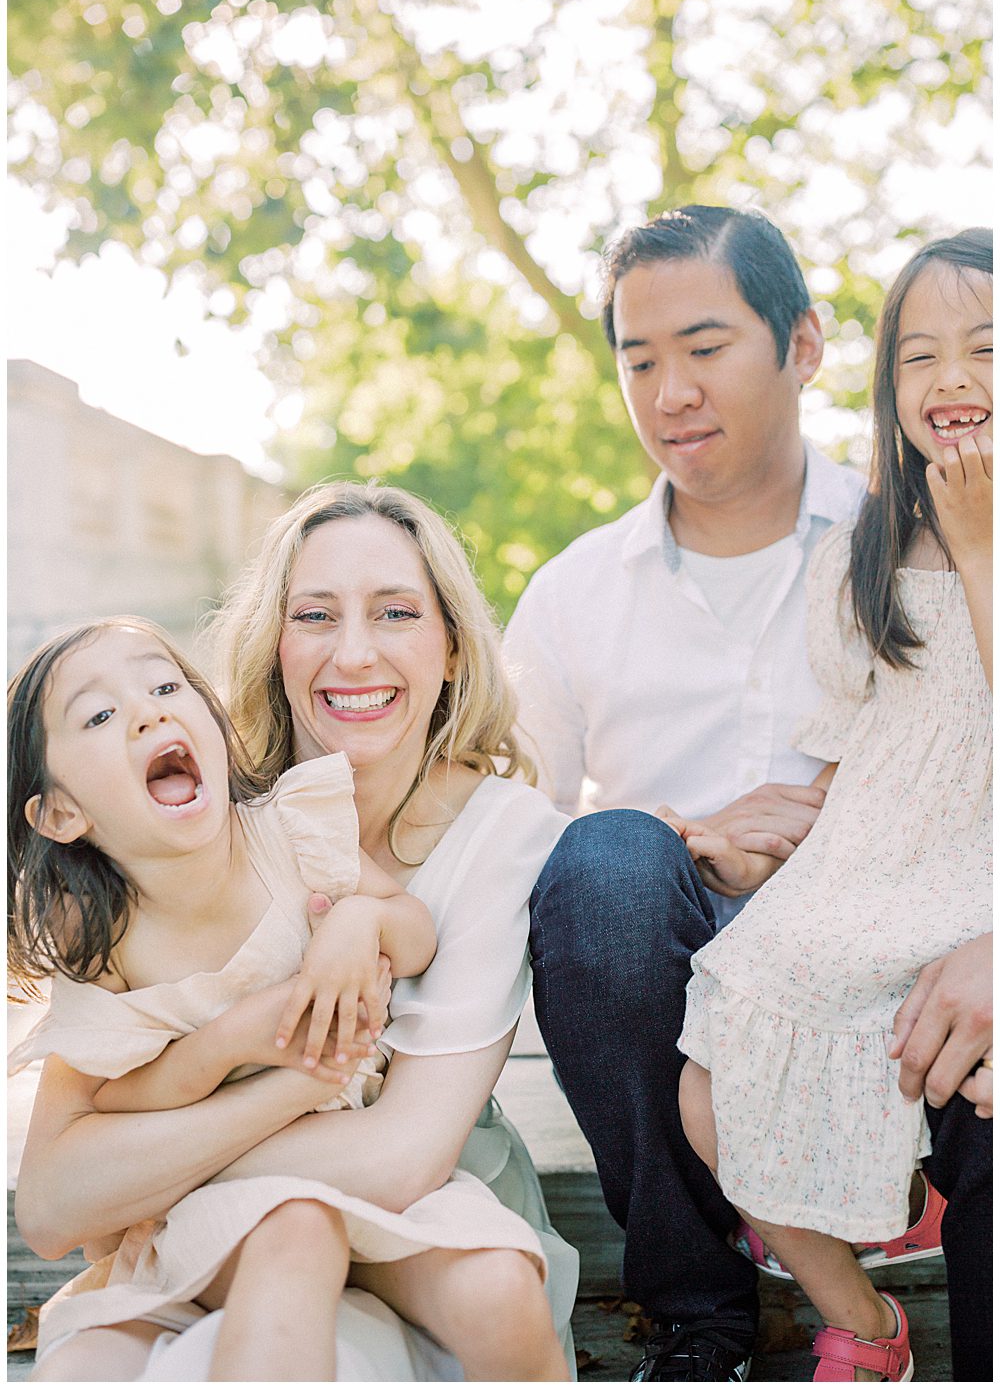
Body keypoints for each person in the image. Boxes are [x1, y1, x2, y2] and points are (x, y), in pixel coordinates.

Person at [12, 483, 579, 1382]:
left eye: (395, 612)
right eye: (315, 614)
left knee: (488, 1299)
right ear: (273, 645)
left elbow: (401, 1153)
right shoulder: (161, 864)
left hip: (417, 1212)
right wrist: (246, 1059)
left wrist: (142, 1180)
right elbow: (54, 1199)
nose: (354, 651)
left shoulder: (485, 836)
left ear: (454, 645)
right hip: (239, 1241)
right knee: (268, 1266)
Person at [507, 205, 866, 1378]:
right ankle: (698, 1310)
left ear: (801, 346)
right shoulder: (571, 595)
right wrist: (677, 836)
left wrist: (828, 828)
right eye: (638, 357)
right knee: (603, 861)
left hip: (870, 948)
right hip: (660, 954)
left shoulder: (903, 547)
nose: (669, 392)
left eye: (704, 348)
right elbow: (510, 834)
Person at [675, 228, 992, 1382]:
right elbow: (859, 732)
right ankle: (859, 1313)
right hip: (877, 840)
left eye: (985, 347)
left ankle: (894, 1181)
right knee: (709, 1059)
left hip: (977, 857)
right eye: (919, 355)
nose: (950, 377)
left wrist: (977, 544)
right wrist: (775, 837)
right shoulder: (863, 546)